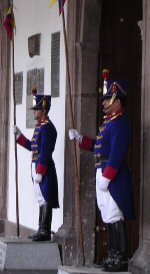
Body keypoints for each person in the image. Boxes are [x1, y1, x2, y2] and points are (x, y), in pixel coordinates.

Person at [68, 73, 135, 272]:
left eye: (108, 99)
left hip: (112, 175)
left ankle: (120, 257)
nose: (104, 103)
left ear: (117, 99)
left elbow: (116, 153)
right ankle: (112, 254)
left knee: (115, 216)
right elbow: (99, 147)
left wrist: (107, 177)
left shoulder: (120, 123)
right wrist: (81, 139)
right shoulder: (108, 123)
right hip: (103, 170)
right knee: (107, 215)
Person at [13, 89, 59, 241]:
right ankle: (41, 229)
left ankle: (45, 231)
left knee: (45, 198)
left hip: (42, 167)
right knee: (41, 198)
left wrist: (40, 170)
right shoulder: (40, 126)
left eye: (36, 109)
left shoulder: (47, 127)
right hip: (36, 164)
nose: (34, 112)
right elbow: (33, 147)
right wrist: (20, 137)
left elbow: (45, 151)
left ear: (43, 109)